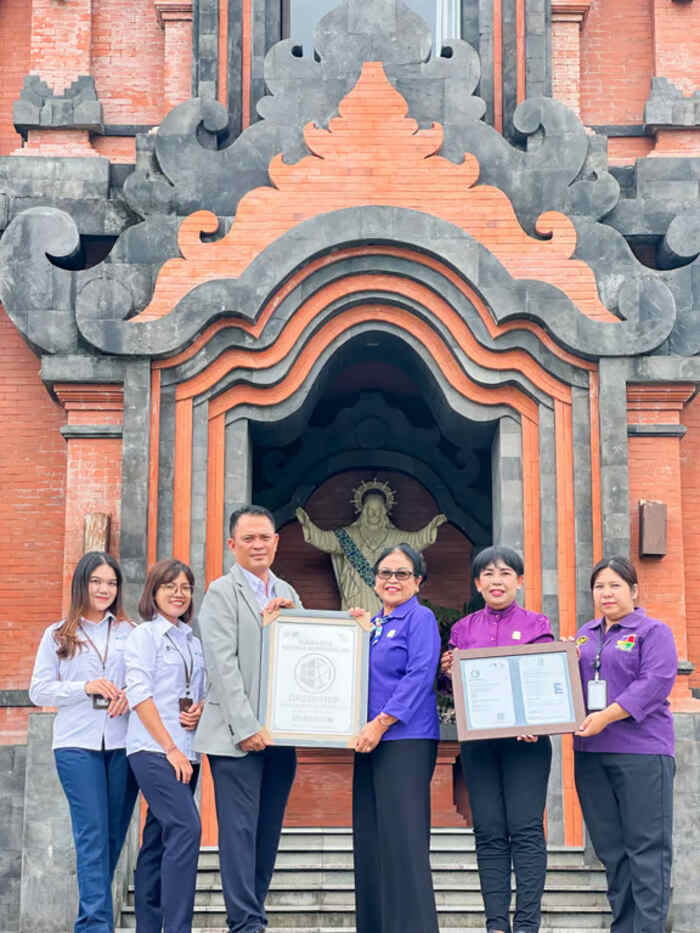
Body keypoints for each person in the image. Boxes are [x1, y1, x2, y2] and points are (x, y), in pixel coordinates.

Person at [194, 505, 302, 933]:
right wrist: (246, 728)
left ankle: (252, 913)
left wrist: (300, 619)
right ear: (232, 544)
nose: (258, 545)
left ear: (276, 541)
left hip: (279, 735)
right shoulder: (221, 593)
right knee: (238, 833)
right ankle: (244, 923)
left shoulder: (287, 590)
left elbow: (305, 651)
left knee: (267, 832)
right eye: (248, 538)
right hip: (234, 739)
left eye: (265, 538)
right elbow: (222, 667)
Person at [441, 545, 554, 933]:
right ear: (477, 583)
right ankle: (496, 925)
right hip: (479, 744)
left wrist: (536, 719)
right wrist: (447, 671)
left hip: (527, 744)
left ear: (519, 581)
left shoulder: (537, 625)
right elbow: (454, 689)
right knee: (488, 832)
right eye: (488, 574)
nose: (496, 580)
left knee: (525, 830)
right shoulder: (463, 629)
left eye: (505, 573)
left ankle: (527, 925)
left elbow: (545, 680)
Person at [29, 550, 138, 933]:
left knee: (112, 837)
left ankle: (90, 922)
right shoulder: (58, 634)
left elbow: (145, 681)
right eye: (96, 582)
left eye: (111, 583)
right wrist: (84, 686)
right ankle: (95, 927)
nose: (104, 589)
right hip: (76, 746)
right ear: (82, 584)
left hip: (123, 744)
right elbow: (39, 690)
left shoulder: (130, 633)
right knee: (92, 834)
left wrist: (129, 695)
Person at [574, 556, 676, 933]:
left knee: (646, 851)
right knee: (612, 853)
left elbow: (654, 683)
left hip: (642, 754)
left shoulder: (654, 631)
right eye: (599, 586)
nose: (607, 593)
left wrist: (606, 716)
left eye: (615, 585)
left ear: (634, 591)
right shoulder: (583, 636)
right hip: (591, 756)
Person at [350, 543, 441, 933]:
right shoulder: (371, 625)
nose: (392, 580)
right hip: (368, 742)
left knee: (403, 842)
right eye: (385, 573)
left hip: (405, 741)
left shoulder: (420, 618)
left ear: (417, 581)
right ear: (374, 580)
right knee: (371, 840)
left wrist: (381, 723)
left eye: (402, 573)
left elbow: (420, 675)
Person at [124, 559, 205, 933]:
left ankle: (149, 927)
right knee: (187, 828)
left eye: (185, 587)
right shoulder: (144, 636)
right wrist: (170, 747)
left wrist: (200, 710)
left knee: (157, 840)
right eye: (170, 586)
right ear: (153, 592)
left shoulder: (192, 641)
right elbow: (139, 694)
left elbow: (195, 691)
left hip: (188, 751)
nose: (178, 593)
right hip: (154, 750)